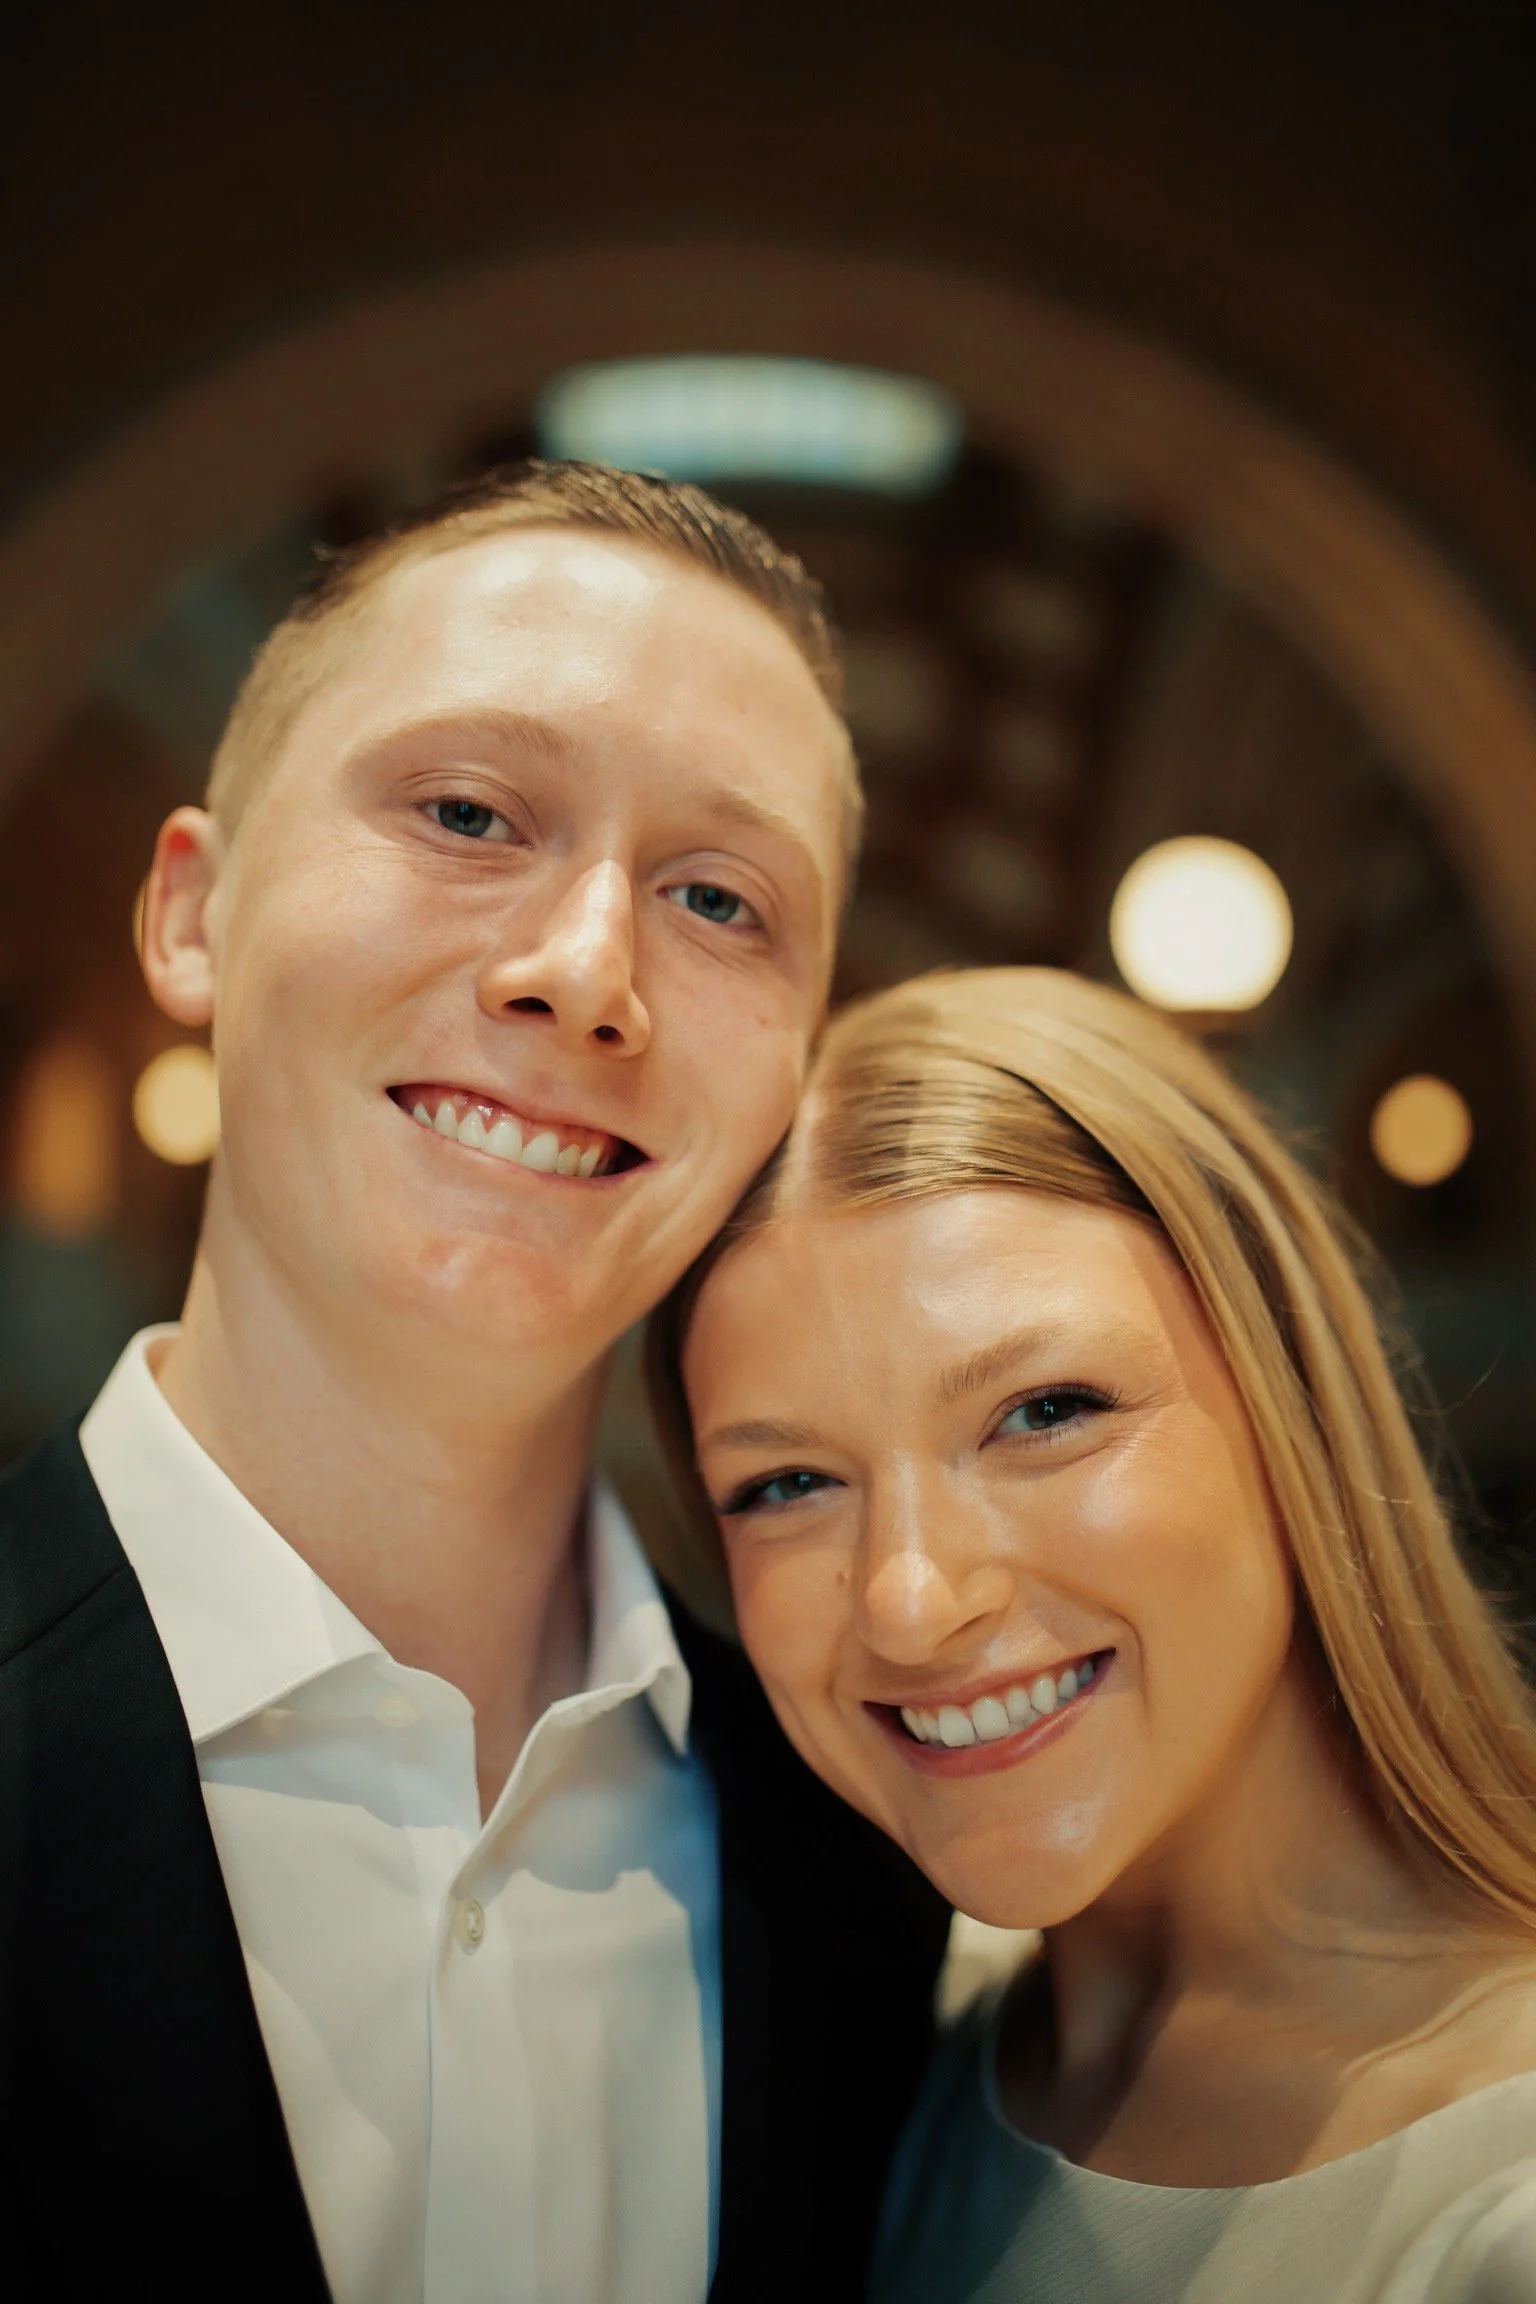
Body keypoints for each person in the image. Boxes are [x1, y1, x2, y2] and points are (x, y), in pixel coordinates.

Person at [0, 463, 950, 2304]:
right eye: (463, 809)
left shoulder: (877, 1876)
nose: (587, 975)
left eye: (721, 900)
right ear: (194, 915)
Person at [653, 965, 1536, 2303]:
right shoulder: (863, 2090)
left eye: (1044, 1412)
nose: (908, 1597)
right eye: (787, 1486)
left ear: (1287, 1397)